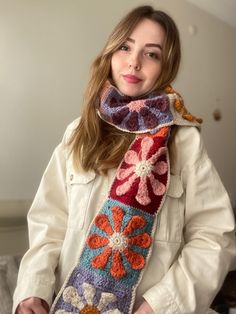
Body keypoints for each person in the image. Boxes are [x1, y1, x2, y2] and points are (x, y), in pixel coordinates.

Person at [13, 5, 236, 314]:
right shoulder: (78, 133)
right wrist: (32, 293)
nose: (134, 61)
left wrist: (161, 305)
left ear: (166, 66)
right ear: (111, 53)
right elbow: (50, 223)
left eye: (152, 54)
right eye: (125, 47)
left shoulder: (184, 141)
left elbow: (214, 236)